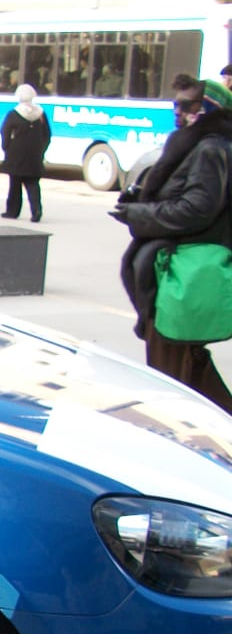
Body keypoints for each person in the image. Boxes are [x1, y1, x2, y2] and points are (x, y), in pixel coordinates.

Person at [112, 75, 232, 413]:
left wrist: (140, 214)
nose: (177, 112)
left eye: (186, 106)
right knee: (185, 362)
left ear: (207, 110)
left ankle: (180, 434)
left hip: (184, 271)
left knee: (171, 369)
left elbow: (196, 209)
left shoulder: (210, 148)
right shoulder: (197, 143)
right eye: (176, 104)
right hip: (177, 267)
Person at [0, 84, 51, 222]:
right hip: (35, 154)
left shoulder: (14, 114)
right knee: (33, 184)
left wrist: (6, 148)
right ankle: (36, 210)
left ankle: (12, 211)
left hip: (16, 153)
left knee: (15, 185)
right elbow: (47, 134)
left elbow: (5, 133)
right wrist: (41, 149)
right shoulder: (41, 113)